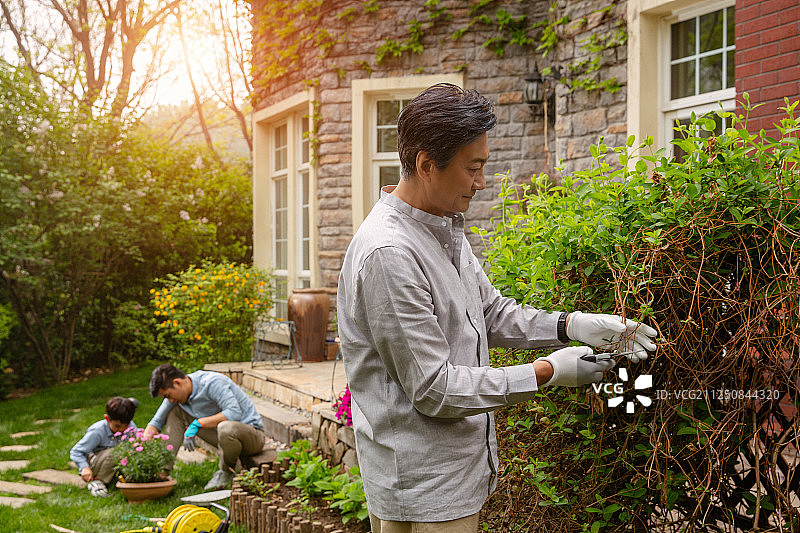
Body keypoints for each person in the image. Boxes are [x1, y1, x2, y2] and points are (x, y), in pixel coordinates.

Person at [337, 83, 658, 532]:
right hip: (424, 490)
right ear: (427, 165)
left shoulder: (442, 227)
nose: (482, 182)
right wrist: (548, 372)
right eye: (474, 168)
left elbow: (488, 312)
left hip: (454, 478)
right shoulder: (389, 253)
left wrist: (571, 325)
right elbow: (434, 389)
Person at [143, 363, 266, 491]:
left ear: (177, 383)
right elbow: (156, 422)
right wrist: (141, 445)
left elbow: (234, 413)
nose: (170, 401)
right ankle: (162, 471)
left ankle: (225, 471)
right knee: (175, 413)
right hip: (223, 436)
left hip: (252, 436)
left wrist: (197, 424)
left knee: (225, 427)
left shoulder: (212, 382)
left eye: (168, 395)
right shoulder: (177, 394)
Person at [70, 396, 139, 497]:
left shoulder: (130, 426)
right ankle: (97, 482)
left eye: (126, 426)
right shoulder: (97, 431)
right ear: (107, 418)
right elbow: (76, 451)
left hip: (114, 464)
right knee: (116, 452)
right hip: (96, 463)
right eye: (117, 426)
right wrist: (84, 468)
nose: (122, 430)